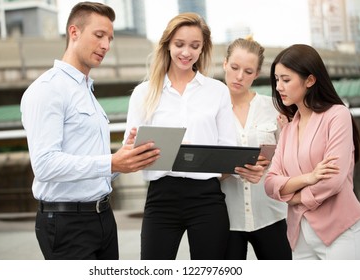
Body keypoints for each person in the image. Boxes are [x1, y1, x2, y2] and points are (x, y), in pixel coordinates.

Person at [20, 2, 160, 260]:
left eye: (110, 38)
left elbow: (93, 163)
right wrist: (111, 161)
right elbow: (45, 165)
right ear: (74, 32)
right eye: (99, 35)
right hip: (66, 224)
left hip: (103, 218)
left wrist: (123, 160)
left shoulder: (87, 92)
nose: (106, 45)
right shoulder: (48, 90)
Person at [123, 13, 263, 260]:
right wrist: (135, 148)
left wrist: (202, 160)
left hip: (207, 199)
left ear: (202, 49)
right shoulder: (143, 93)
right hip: (161, 197)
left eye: (194, 46)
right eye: (179, 44)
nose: (186, 52)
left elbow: (227, 152)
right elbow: (129, 156)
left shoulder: (217, 91)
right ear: (167, 44)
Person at [265, 44, 360, 260]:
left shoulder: (337, 116)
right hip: (300, 236)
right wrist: (309, 177)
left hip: (340, 232)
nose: (279, 87)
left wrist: (293, 198)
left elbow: (332, 180)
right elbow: (270, 183)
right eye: (277, 79)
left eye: (286, 80)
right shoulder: (288, 128)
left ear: (310, 80)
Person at [220, 37, 292, 260]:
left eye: (248, 71)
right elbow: (199, 166)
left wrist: (274, 159)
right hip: (227, 220)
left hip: (271, 215)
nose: (240, 76)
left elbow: (291, 160)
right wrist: (232, 168)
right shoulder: (209, 112)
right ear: (224, 64)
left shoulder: (274, 107)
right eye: (234, 67)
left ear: (257, 73)